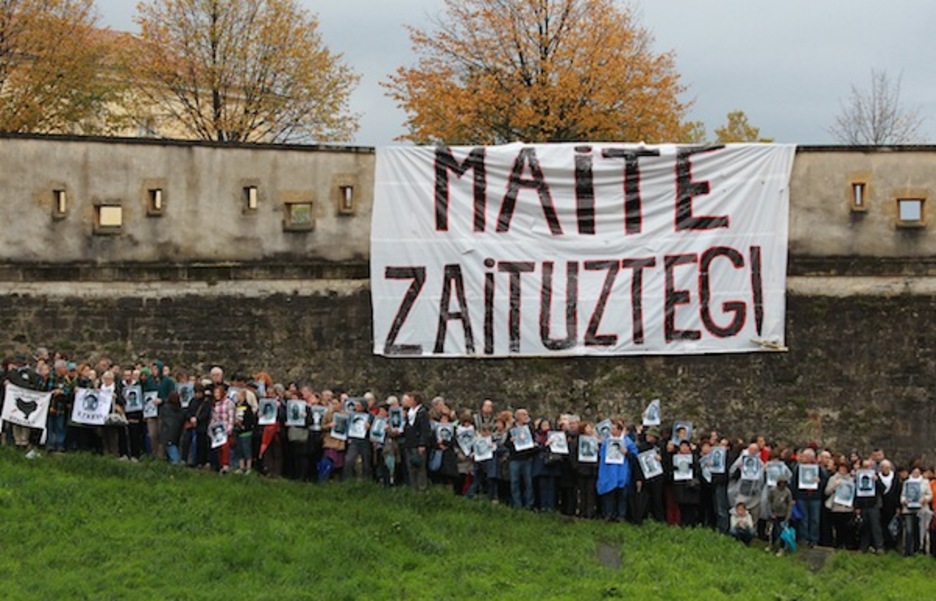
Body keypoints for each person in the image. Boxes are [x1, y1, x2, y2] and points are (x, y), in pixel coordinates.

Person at [596, 419, 639, 522]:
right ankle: (609, 514)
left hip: (622, 472)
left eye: (614, 429)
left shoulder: (627, 442)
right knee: (609, 494)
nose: (612, 431)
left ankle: (621, 515)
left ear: (620, 430)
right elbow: (602, 455)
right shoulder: (607, 441)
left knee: (622, 495)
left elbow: (635, 456)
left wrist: (626, 453)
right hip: (609, 471)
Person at [506, 408, 536, 509]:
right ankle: (517, 504)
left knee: (528, 483)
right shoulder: (512, 430)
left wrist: (533, 446)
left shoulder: (530, 429)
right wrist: (511, 441)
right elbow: (506, 444)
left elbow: (534, 443)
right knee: (514, 482)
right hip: (515, 459)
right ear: (518, 416)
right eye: (524, 415)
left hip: (527, 459)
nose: (526, 416)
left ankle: (529, 505)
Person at [402, 391, 431, 492]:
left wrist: (422, 443)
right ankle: (413, 488)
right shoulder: (409, 412)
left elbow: (425, 429)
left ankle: (422, 488)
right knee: (411, 467)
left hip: (418, 443)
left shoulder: (422, 412)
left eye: (410, 399)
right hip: (409, 443)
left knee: (420, 467)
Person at [825, 461, 856, 549]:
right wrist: (835, 486)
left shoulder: (851, 480)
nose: (842, 470)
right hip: (836, 507)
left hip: (847, 507)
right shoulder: (833, 479)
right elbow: (827, 492)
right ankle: (838, 544)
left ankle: (848, 545)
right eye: (841, 469)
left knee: (848, 528)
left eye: (844, 469)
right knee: (838, 527)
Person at [768, 475, 794, 556]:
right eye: (781, 482)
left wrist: (787, 517)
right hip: (774, 514)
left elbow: (789, 505)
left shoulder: (788, 492)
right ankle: (771, 545)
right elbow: (769, 501)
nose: (782, 484)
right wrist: (771, 513)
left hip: (783, 515)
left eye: (784, 483)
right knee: (773, 531)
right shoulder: (772, 490)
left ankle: (781, 548)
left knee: (782, 533)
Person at [160, 391, 185, 464]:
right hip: (176, 436)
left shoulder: (165, 409)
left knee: (173, 459)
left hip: (166, 436)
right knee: (175, 459)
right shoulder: (181, 411)